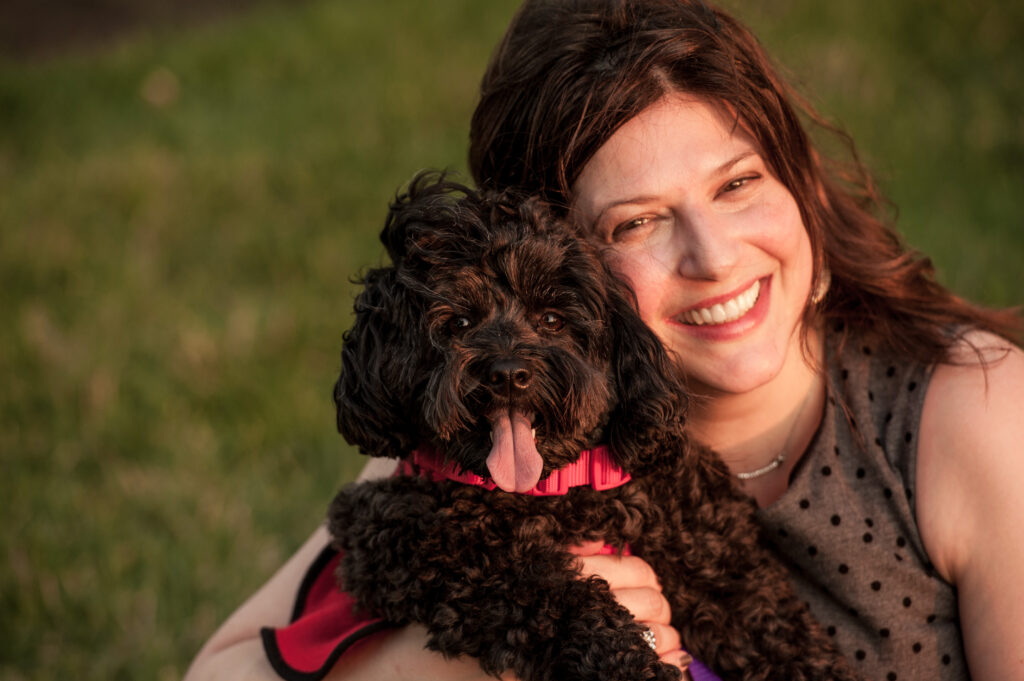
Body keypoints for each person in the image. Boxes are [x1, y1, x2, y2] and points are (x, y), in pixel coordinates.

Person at [184, 1, 1024, 680]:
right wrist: (438, 668)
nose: (714, 255)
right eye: (639, 222)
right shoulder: (484, 446)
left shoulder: (974, 416)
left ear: (797, 181)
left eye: (737, 183)